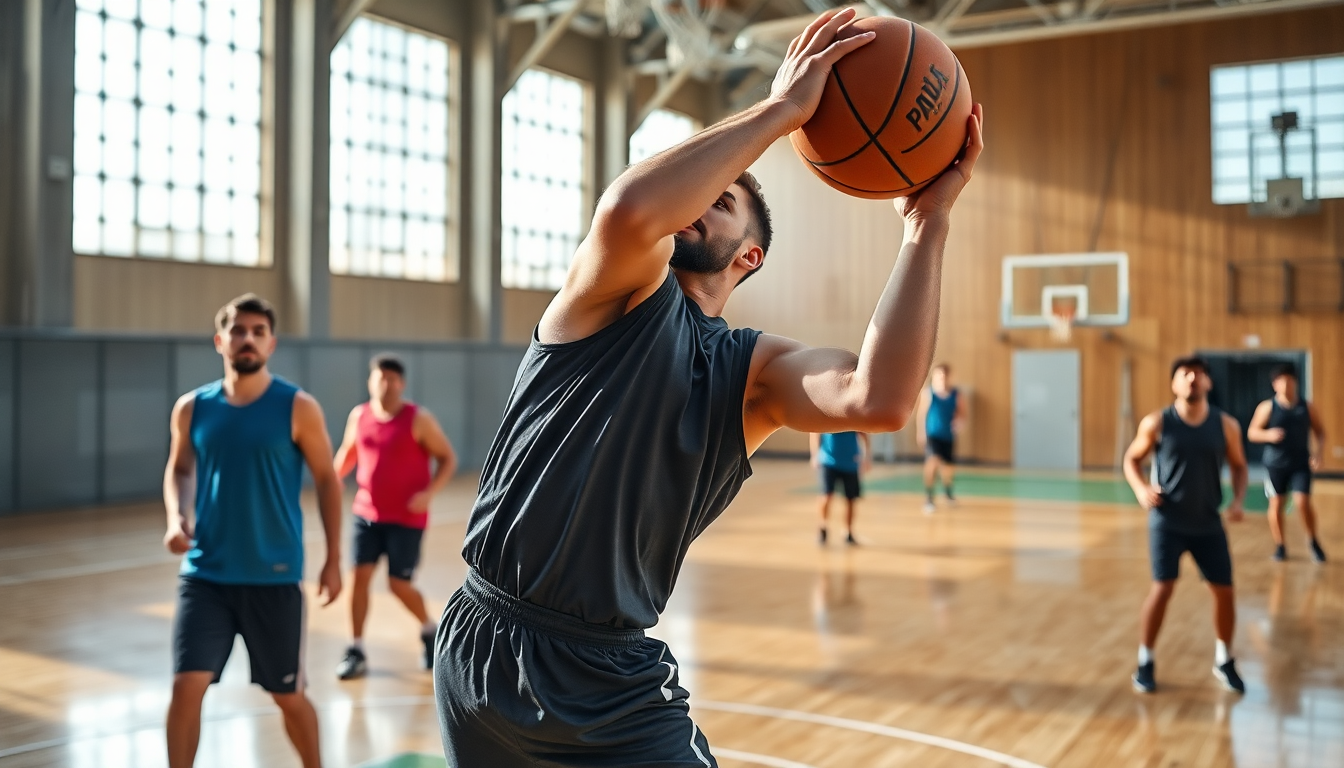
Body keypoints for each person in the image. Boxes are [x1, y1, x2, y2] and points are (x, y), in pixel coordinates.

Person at [434, 8, 984, 766]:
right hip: (480, 640)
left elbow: (877, 398)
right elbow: (630, 208)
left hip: (607, 675)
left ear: (750, 257)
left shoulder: (753, 375)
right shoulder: (611, 295)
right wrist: (784, 111)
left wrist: (926, 227)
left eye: (722, 200)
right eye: (702, 187)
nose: (699, 202)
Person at [162, 294, 342, 768]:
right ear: (220, 341)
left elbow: (327, 479)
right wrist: (176, 515)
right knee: (186, 686)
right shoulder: (192, 408)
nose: (248, 339)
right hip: (206, 574)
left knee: (288, 695)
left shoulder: (298, 407)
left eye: (258, 332)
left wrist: (334, 558)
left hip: (274, 577)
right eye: (238, 331)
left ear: (271, 343)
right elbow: (180, 469)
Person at [1123, 355, 1248, 695]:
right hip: (1167, 522)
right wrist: (1140, 488)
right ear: (1174, 384)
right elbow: (1132, 459)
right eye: (1185, 374)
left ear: (1208, 383)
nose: (1193, 379)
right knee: (1163, 588)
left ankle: (1224, 659)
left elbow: (1239, 466)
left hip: (1208, 522)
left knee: (1224, 591)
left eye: (1200, 374)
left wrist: (1237, 501)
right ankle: (1145, 660)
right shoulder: (1158, 423)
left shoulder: (1226, 426)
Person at [333, 354, 458, 679]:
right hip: (366, 513)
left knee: (399, 584)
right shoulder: (359, 416)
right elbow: (348, 454)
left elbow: (447, 458)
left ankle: (430, 630)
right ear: (370, 381)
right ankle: (356, 648)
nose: (386, 384)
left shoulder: (419, 419)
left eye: (392, 379)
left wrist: (429, 494)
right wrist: (330, 479)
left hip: (406, 518)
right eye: (380, 378)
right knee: (358, 578)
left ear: (401, 383)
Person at [1247, 362, 1327, 563]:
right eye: (1281, 382)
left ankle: (1313, 541)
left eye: (1290, 381)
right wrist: (1268, 435)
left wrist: (1318, 454)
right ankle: (1280, 545)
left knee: (1302, 502)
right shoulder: (1267, 408)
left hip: (1300, 463)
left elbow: (1321, 432)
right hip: (1275, 465)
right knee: (1277, 504)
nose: (1286, 385)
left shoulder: (1306, 407)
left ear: (1295, 383)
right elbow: (1252, 433)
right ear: (1275, 385)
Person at [916, 363, 963, 513]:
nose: (942, 378)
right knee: (933, 461)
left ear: (949, 377)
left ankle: (948, 492)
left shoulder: (956, 394)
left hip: (948, 435)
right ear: (934, 377)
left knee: (948, 468)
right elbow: (921, 414)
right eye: (939, 375)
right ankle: (929, 497)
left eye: (944, 376)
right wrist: (921, 432)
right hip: (932, 435)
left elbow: (963, 414)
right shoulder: (929, 394)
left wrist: (959, 422)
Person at [810, 431, 871, 545]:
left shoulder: (854, 415)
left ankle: (848, 531)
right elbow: (815, 433)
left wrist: (866, 457)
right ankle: (823, 527)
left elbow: (864, 435)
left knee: (851, 499)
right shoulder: (827, 414)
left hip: (850, 462)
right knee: (826, 495)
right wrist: (815, 455)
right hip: (828, 461)